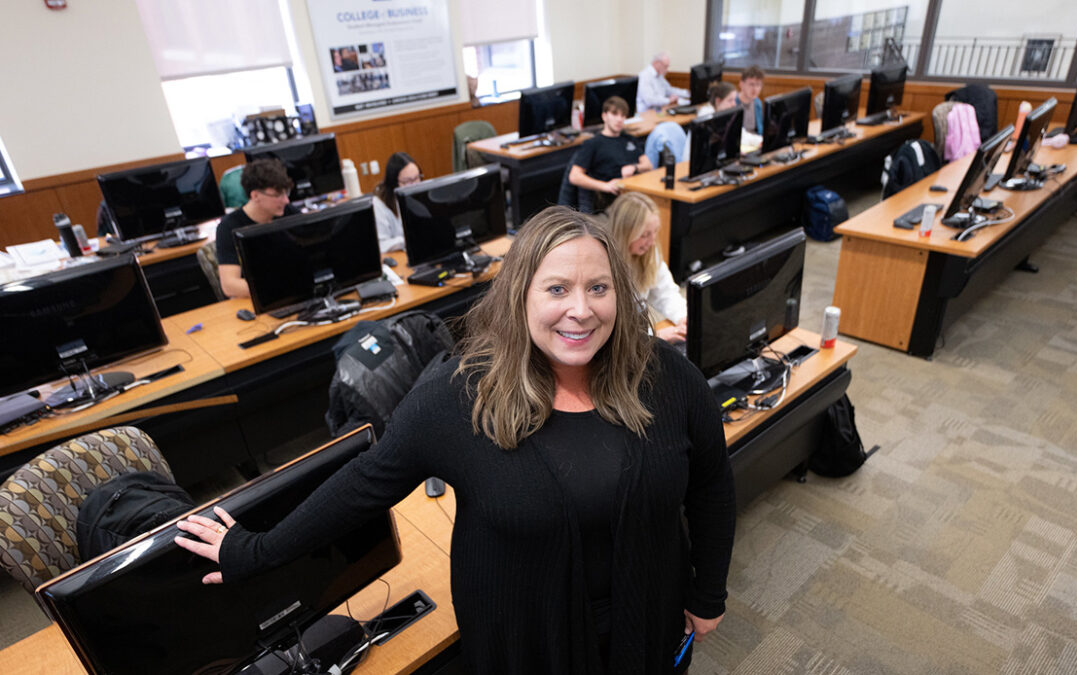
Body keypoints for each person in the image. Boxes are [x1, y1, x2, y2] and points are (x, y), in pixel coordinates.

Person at [175, 206, 736, 674]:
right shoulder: (458, 394)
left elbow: (712, 483)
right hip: (525, 641)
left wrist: (708, 593)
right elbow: (364, 484)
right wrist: (255, 550)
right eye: (557, 288)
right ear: (519, 294)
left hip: (650, 619)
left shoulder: (665, 375)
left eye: (599, 288)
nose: (581, 310)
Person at [606, 192, 687, 343]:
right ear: (625, 233)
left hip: (640, 338)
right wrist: (655, 335)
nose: (651, 241)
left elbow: (665, 292)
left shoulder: (648, 252)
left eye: (655, 232)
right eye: (644, 235)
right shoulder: (604, 267)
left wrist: (683, 316)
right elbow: (613, 331)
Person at [215, 159, 299, 299]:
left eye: (286, 192)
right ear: (255, 196)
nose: (286, 200)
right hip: (260, 299)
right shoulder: (228, 227)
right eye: (278, 195)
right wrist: (279, 289)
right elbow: (229, 285)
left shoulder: (287, 211)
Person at [569, 96, 651, 208]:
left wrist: (634, 167)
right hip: (611, 200)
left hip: (635, 193)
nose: (619, 119)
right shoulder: (593, 143)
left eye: (623, 116)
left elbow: (648, 165)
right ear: (604, 116)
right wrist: (606, 186)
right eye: (615, 114)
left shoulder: (629, 139)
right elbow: (574, 176)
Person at [372, 152, 422, 253]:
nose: (414, 185)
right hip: (398, 255)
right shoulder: (379, 204)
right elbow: (381, 244)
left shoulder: (420, 194)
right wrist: (406, 241)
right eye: (407, 181)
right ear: (394, 182)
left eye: (417, 178)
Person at [736, 65, 765, 135]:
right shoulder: (733, 103)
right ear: (741, 84)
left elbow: (760, 129)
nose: (755, 89)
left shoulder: (757, 102)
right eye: (751, 84)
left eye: (758, 85)